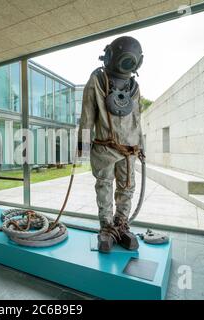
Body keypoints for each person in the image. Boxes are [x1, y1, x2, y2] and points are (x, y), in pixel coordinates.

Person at [78, 36, 145, 253]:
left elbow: (136, 120)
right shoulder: (98, 80)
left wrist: (141, 147)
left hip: (129, 150)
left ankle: (121, 224)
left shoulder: (134, 87)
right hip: (104, 148)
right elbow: (87, 115)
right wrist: (83, 143)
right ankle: (106, 227)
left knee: (127, 188)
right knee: (104, 186)